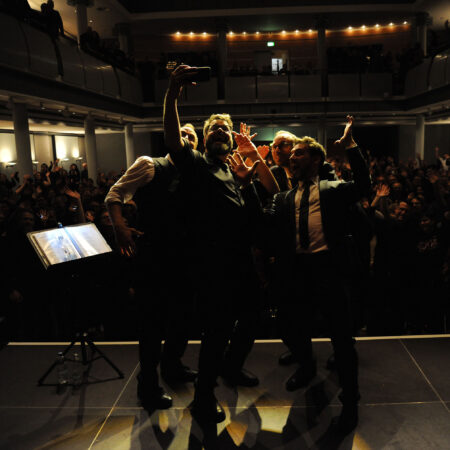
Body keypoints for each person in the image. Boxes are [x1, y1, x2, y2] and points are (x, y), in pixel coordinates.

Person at [164, 64, 279, 423]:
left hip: (241, 263)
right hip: (211, 266)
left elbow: (258, 210)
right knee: (215, 333)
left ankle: (231, 369)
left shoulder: (233, 172)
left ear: (232, 139)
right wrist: (172, 93)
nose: (220, 131)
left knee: (251, 320)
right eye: (214, 127)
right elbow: (171, 138)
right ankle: (202, 398)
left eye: (225, 128)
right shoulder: (197, 164)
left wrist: (246, 185)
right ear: (204, 136)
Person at [263, 116, 371, 435]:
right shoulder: (283, 198)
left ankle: (350, 402)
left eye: (298, 153)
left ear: (316, 159)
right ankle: (307, 367)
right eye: (291, 153)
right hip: (297, 272)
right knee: (291, 326)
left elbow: (363, 187)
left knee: (340, 339)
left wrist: (351, 148)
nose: (292, 157)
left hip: (328, 269)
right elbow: (266, 228)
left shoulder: (332, 189)